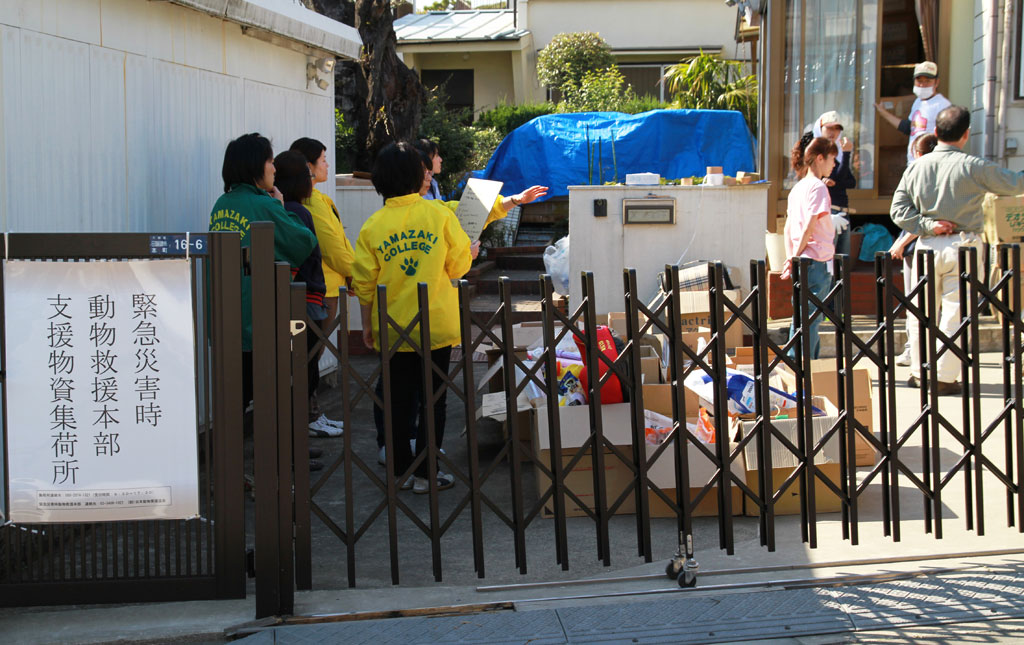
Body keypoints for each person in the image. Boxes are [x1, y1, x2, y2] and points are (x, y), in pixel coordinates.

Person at [351, 141, 478, 494]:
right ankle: (427, 473)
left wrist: (366, 325)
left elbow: (364, 282)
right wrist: (468, 253)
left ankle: (400, 471)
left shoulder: (373, 225)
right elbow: (457, 266)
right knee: (433, 399)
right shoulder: (439, 215)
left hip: (393, 327)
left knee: (398, 400)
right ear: (415, 176)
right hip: (435, 325)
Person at [890, 105, 1024, 394]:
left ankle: (919, 373)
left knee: (920, 312)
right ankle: (943, 376)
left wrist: (927, 224)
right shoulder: (974, 166)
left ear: (936, 133)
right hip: (963, 244)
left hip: (925, 244)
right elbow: (1015, 184)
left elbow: (898, 211)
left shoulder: (916, 167)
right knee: (955, 312)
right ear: (966, 135)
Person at [209, 133, 317, 413]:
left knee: (234, 401)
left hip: (225, 320)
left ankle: (231, 456)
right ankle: (283, 456)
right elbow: (302, 242)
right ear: (255, 165)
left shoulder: (222, 204)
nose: (274, 168)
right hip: (260, 323)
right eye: (270, 161)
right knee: (274, 399)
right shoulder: (264, 205)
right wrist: (281, 208)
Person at [272, 150, 344, 440]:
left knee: (306, 365)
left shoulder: (292, 207)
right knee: (305, 366)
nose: (313, 175)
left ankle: (305, 426)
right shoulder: (298, 211)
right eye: (307, 170)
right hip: (308, 299)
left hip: (304, 298)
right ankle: (302, 430)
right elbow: (311, 249)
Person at [290, 137, 355, 435]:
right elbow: (332, 248)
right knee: (309, 357)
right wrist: (356, 275)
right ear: (309, 167)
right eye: (324, 159)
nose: (328, 164)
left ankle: (313, 413)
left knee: (311, 356)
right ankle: (308, 417)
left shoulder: (320, 199)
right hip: (322, 291)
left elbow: (339, 242)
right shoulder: (310, 203)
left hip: (330, 286)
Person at [783, 136, 839, 360]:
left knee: (801, 317)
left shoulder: (798, 188)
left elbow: (788, 227)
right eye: (832, 159)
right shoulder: (818, 187)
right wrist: (795, 255)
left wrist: (791, 257)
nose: (834, 165)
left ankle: (795, 368)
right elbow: (809, 225)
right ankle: (806, 371)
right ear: (820, 158)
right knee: (810, 320)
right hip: (815, 260)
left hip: (801, 260)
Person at [889, 132, 938, 367]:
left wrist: (902, 242)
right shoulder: (941, 175)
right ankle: (927, 354)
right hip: (936, 246)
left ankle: (915, 354)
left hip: (918, 247)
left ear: (916, 153)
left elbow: (918, 217)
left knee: (916, 305)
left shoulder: (918, 175)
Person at [875, 61, 951, 163]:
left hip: (930, 163)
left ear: (936, 82)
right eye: (919, 81)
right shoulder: (918, 102)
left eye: (927, 81)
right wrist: (883, 112)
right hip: (913, 162)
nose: (923, 84)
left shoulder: (943, 105)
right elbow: (909, 128)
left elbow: (948, 137)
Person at [805, 111, 855, 257]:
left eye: (836, 129)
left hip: (842, 210)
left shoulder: (838, 154)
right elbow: (838, 178)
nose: (833, 132)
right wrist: (846, 154)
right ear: (820, 128)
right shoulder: (815, 152)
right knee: (829, 260)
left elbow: (850, 181)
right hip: (827, 212)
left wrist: (844, 155)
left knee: (842, 261)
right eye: (829, 128)